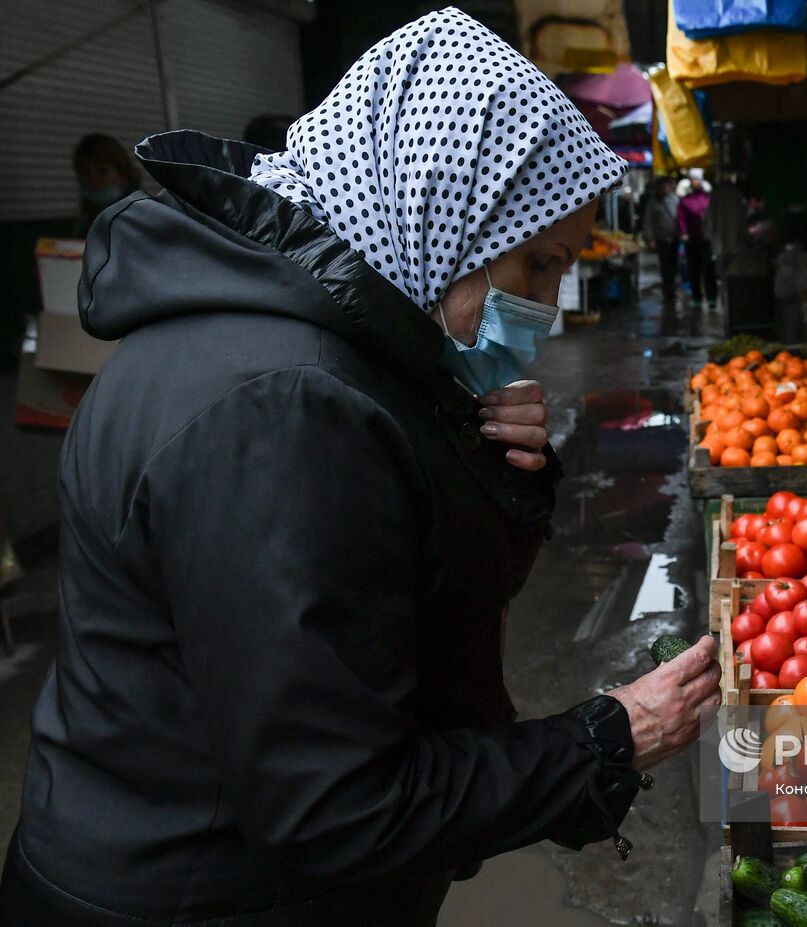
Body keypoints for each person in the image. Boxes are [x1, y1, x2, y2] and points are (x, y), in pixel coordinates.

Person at [0, 10, 718, 926]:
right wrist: (608, 737)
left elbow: (394, 602)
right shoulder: (285, 408)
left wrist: (484, 464)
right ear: (441, 207)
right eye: (537, 266)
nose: (545, 307)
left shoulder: (310, 349)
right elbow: (337, 806)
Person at [71, 133, 140, 237]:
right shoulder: (87, 218)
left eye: (103, 172)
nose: (94, 180)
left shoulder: (141, 216)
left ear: (124, 174)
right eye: (86, 174)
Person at [677, 168, 717, 308]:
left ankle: (712, 298)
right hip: (692, 241)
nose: (695, 182)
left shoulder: (708, 198)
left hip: (706, 239)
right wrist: (684, 233)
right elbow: (681, 218)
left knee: (709, 269)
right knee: (694, 270)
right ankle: (697, 298)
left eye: (697, 179)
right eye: (693, 180)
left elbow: (713, 217)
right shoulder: (685, 200)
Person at [641, 175, 680, 305]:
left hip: (675, 238)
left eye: (666, 186)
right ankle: (668, 291)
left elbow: (680, 217)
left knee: (674, 265)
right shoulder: (652, 203)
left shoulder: (675, 199)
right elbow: (648, 223)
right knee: (665, 266)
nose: (664, 189)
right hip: (662, 239)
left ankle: (672, 289)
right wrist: (650, 240)